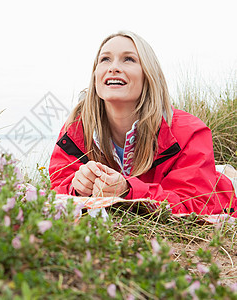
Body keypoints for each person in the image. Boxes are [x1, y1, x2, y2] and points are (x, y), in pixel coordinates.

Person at [49, 31, 236, 216]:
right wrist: (78, 188)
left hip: (223, 195)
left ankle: (226, 173)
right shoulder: (76, 128)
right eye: (105, 59)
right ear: (95, 75)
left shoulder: (189, 132)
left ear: (148, 74)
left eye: (128, 59)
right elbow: (57, 188)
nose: (113, 67)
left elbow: (194, 203)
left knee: (224, 177)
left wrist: (126, 190)